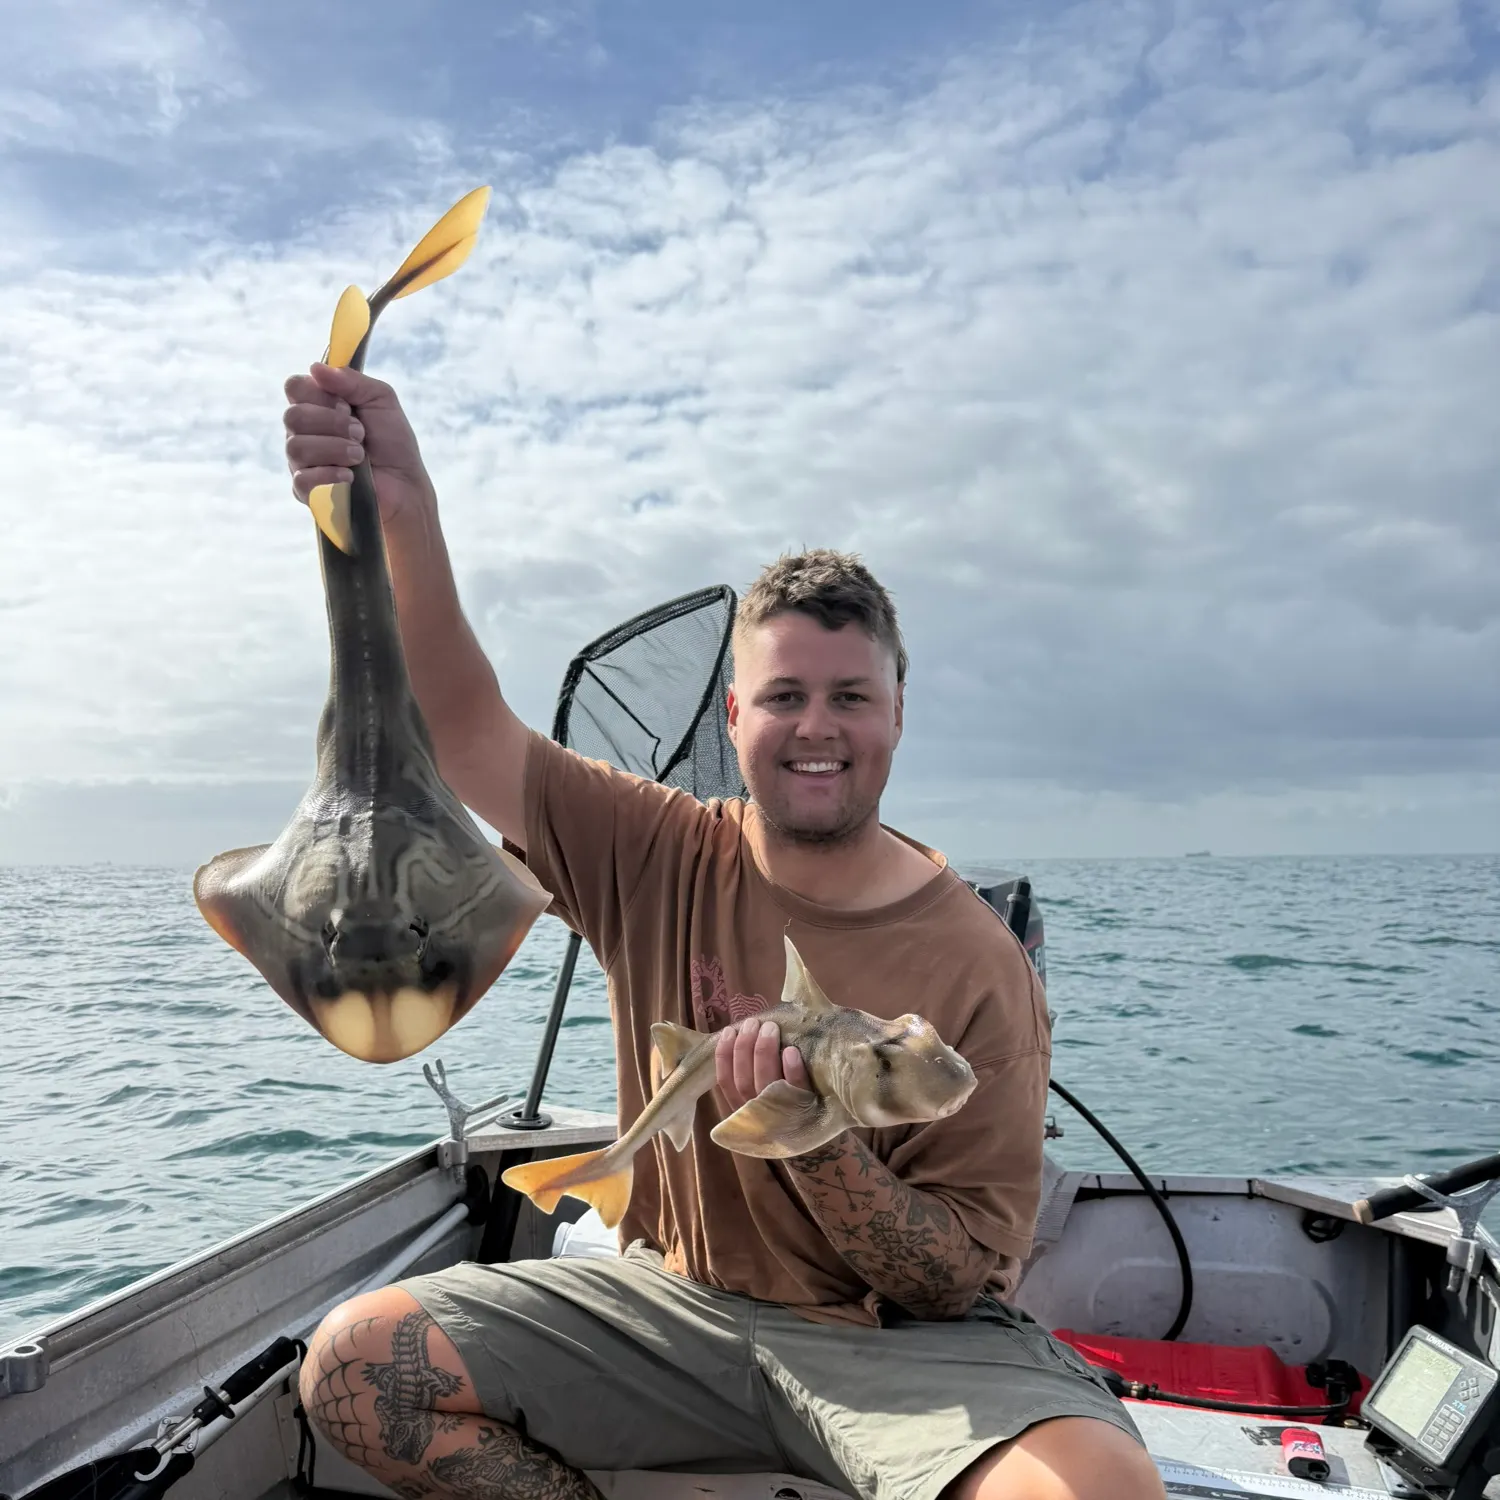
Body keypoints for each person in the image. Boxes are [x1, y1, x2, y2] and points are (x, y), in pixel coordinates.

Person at [283, 360, 1166, 1500]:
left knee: (1102, 1491)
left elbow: (954, 1281)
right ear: (736, 713)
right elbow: (460, 730)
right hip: (668, 1310)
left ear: (897, 713)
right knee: (356, 1370)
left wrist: (819, 1141)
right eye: (787, 695)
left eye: (852, 696)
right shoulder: (656, 848)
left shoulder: (977, 964)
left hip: (893, 1346)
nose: (819, 727)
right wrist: (402, 509)